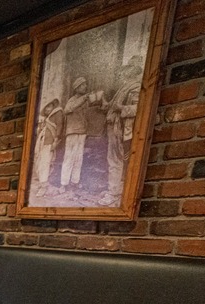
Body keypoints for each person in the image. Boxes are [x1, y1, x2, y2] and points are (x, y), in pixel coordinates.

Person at [104, 59, 143, 200]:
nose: (124, 72)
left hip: (121, 127)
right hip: (114, 126)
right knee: (114, 158)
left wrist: (120, 108)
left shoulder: (136, 87)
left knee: (117, 159)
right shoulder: (125, 87)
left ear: (133, 71)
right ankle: (115, 189)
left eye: (128, 69)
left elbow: (138, 109)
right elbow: (113, 105)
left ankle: (114, 193)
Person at [59, 77, 104, 191]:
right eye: (82, 85)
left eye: (85, 85)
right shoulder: (72, 100)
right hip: (72, 131)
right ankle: (64, 184)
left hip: (82, 131)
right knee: (69, 157)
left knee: (78, 159)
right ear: (77, 88)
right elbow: (68, 109)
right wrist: (84, 98)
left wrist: (100, 98)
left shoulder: (85, 101)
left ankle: (74, 182)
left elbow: (95, 109)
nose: (85, 87)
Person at [33, 98, 63, 189]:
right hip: (43, 142)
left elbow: (60, 126)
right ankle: (42, 181)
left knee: (45, 162)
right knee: (40, 161)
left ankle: (44, 184)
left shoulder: (58, 113)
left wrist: (56, 140)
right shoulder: (47, 118)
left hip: (49, 142)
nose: (47, 109)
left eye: (49, 106)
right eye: (45, 108)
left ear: (53, 106)